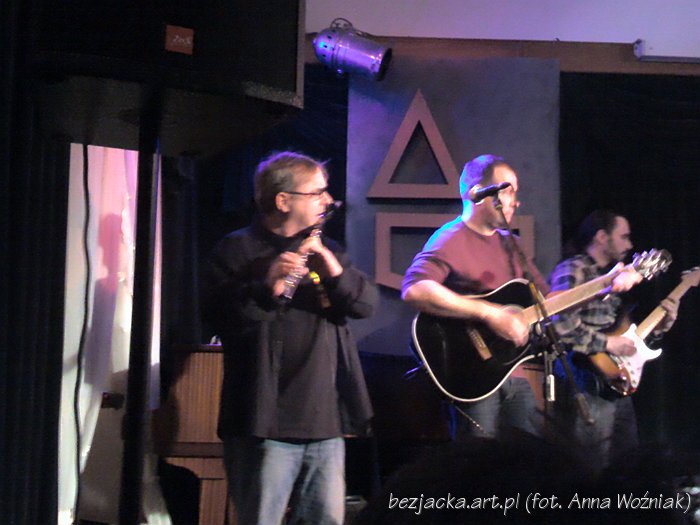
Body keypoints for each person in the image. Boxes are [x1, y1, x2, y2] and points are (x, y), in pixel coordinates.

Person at [202, 151, 378, 525]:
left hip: (325, 423)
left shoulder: (329, 250)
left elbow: (365, 305)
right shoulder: (236, 250)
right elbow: (222, 320)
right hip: (265, 423)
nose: (328, 201)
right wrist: (265, 285)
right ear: (283, 201)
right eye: (317, 193)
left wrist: (334, 271)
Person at [401, 154, 550, 440]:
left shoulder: (512, 245)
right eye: (508, 191)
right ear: (478, 193)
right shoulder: (449, 238)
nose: (515, 201)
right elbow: (415, 289)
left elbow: (548, 299)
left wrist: (605, 285)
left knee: (529, 452)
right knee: (477, 458)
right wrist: (489, 313)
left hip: (514, 372)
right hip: (473, 375)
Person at [549, 209, 678, 469]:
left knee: (626, 463)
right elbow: (559, 322)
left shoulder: (616, 277)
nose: (629, 245)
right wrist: (607, 344)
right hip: (584, 379)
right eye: (624, 237)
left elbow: (620, 333)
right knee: (590, 465)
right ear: (601, 237)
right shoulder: (574, 269)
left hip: (614, 382)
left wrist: (659, 328)